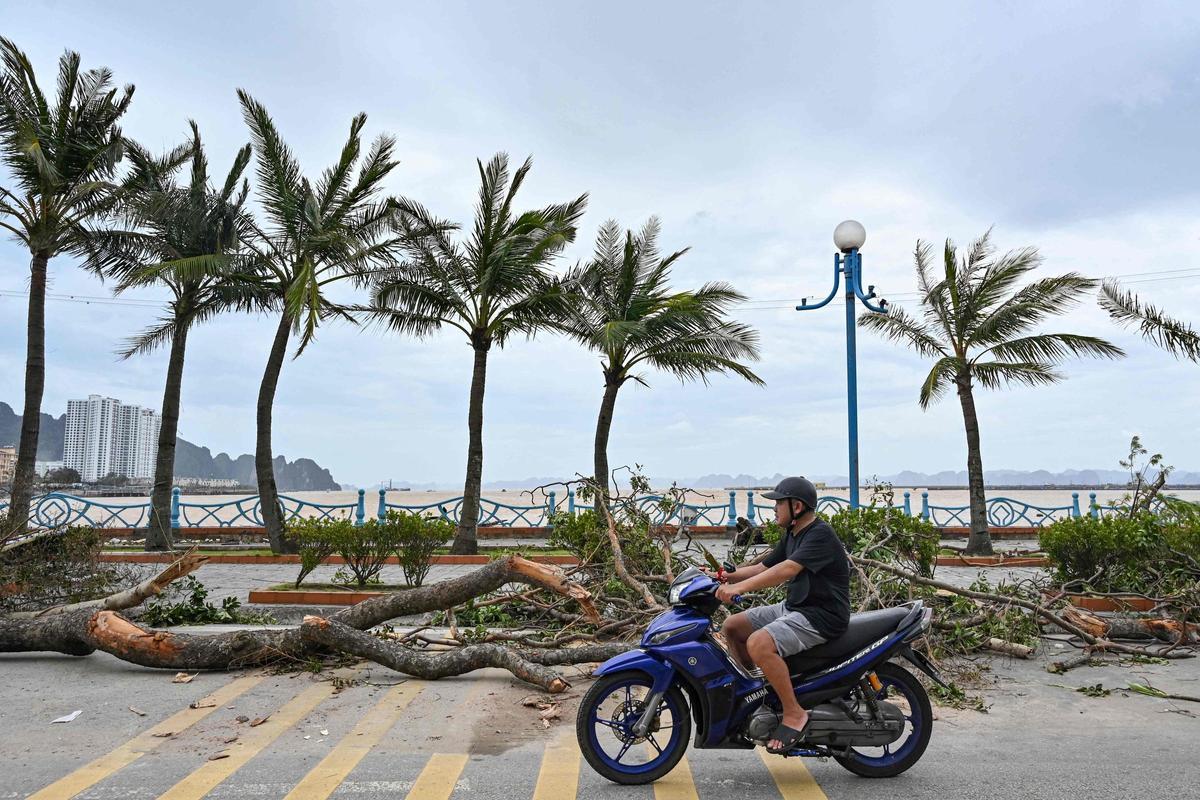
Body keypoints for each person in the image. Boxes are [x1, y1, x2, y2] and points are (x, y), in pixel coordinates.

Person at [710, 476, 850, 754]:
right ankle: (758, 694)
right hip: (797, 606)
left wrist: (738, 588)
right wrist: (724, 576)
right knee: (733, 626)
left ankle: (793, 712)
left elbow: (785, 571)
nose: (774, 508)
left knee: (758, 643)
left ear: (796, 507)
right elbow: (764, 566)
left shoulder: (820, 535)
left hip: (821, 614)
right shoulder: (793, 533)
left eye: (778, 503)